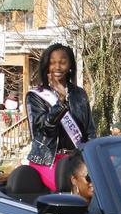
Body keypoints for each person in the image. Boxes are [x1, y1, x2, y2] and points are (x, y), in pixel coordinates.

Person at [26, 43, 95, 191]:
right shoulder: (36, 96)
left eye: (62, 62)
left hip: (76, 159)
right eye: (52, 63)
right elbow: (45, 129)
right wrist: (60, 103)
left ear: (70, 65)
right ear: (46, 66)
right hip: (48, 160)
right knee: (72, 188)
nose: (57, 67)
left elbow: (89, 131)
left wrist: (92, 158)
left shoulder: (79, 94)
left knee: (98, 187)